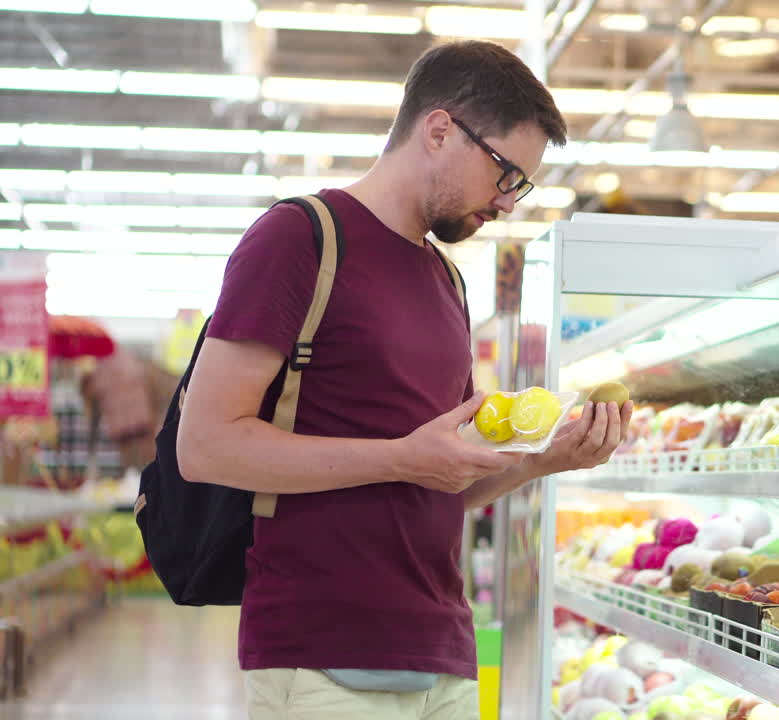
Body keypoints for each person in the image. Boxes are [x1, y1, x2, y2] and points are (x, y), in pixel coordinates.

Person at [176, 40, 633, 720]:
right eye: (505, 173)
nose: (508, 204)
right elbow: (206, 445)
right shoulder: (300, 239)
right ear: (440, 130)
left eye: (521, 186)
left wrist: (545, 460)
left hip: (441, 654)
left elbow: (438, 482)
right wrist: (400, 456)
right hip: (322, 659)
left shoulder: (445, 278)